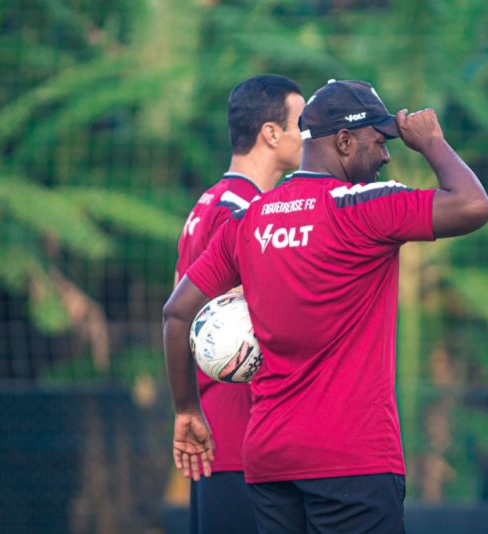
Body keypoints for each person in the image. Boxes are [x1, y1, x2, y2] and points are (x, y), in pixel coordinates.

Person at [163, 79, 488, 532]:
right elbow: (474, 205)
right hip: (351, 459)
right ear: (343, 141)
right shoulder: (363, 209)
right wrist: (432, 142)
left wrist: (186, 410)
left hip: (269, 462)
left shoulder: (248, 219)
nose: (386, 155)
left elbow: (176, 313)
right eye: (378, 142)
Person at [168, 74, 305, 533]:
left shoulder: (207, 203)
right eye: (300, 124)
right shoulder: (244, 212)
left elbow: (179, 312)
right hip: (243, 435)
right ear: (271, 133)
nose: (308, 136)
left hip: (215, 431)